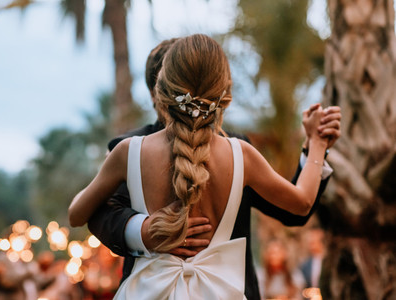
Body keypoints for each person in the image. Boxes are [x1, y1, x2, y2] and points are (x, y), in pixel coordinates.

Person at [69, 34, 334, 299]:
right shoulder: (240, 154)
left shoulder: (129, 152)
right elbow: (301, 202)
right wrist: (317, 144)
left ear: (160, 89)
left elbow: (77, 214)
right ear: (224, 92)